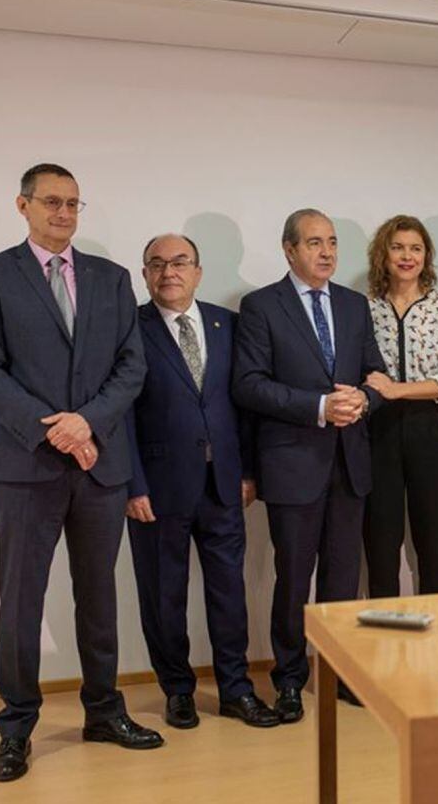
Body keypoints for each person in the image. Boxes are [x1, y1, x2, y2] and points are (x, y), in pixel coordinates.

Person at [0, 163, 159, 783]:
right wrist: (56, 428)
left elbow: (132, 367)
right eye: (52, 202)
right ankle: (17, 726)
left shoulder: (111, 278)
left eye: (74, 203)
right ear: (22, 206)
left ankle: (104, 711)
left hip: (99, 468)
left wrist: (88, 423)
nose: (65, 213)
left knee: (99, 598)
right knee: (21, 600)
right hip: (25, 468)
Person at [232, 208, 386, 721]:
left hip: (350, 462)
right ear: (289, 249)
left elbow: (376, 374)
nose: (327, 252)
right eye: (315, 242)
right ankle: (291, 678)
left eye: (333, 242)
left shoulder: (352, 304)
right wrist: (319, 407)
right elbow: (249, 385)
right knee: (294, 577)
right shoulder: (260, 306)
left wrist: (364, 399)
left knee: (343, 581)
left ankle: (339, 675)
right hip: (293, 463)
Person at [125, 233, 278, 730]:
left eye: (180, 262)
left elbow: (248, 404)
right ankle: (178, 691)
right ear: (145, 273)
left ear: (198, 270)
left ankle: (236, 689)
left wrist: (249, 470)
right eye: (157, 263)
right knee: (163, 596)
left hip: (224, 484)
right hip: (157, 489)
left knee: (228, 593)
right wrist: (132, 484)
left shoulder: (229, 324)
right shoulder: (128, 328)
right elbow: (119, 414)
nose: (169, 271)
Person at [363, 215, 438, 597]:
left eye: (416, 248)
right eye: (398, 247)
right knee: (380, 545)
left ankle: (434, 644)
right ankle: (384, 644)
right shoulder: (364, 309)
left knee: (434, 545)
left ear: (427, 256)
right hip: (377, 434)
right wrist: (384, 393)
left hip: (431, 432)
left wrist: (397, 389)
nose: (407, 256)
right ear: (383, 254)